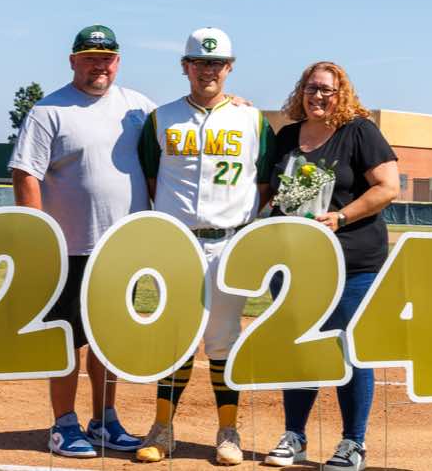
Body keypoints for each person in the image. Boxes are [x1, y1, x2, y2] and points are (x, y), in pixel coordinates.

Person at [8, 25, 155, 458]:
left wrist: (234, 103)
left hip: (122, 249)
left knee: (108, 339)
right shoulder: (48, 110)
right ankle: (63, 424)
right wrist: (37, 239)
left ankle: (104, 420)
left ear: (118, 62)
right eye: (90, 57)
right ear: (73, 61)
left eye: (106, 58)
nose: (99, 66)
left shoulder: (139, 109)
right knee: (67, 340)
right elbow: (25, 174)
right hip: (69, 247)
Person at [136, 27, 275, 466]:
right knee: (175, 337)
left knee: (223, 339)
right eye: (199, 62)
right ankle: (162, 428)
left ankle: (228, 431)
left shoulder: (252, 120)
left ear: (229, 67)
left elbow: (266, 182)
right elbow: (151, 179)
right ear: (185, 67)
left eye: (216, 63)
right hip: (177, 244)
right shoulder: (161, 119)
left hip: (229, 243)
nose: (207, 70)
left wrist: (239, 220)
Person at [263, 61, 400, 471]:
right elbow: (268, 192)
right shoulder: (287, 136)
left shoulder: (359, 131)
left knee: (349, 348)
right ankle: (294, 436)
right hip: (295, 264)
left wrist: (341, 217)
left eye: (327, 89)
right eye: (311, 88)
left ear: (342, 94)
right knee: (300, 348)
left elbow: (388, 187)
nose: (318, 96)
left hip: (351, 262)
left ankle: (352, 443)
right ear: (300, 92)